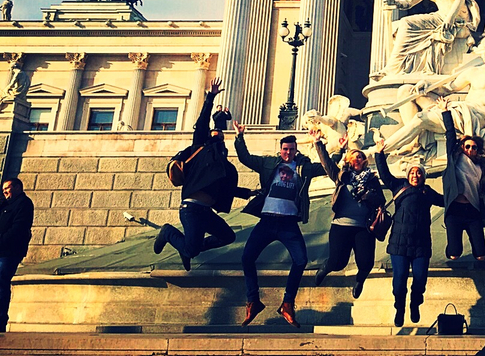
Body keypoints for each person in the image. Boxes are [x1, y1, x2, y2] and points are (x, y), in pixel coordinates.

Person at [154, 78, 253, 271]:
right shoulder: (199, 148)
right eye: (215, 134)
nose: (219, 136)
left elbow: (228, 189)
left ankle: (191, 248)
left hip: (205, 212)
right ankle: (167, 233)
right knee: (191, 250)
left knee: (227, 236)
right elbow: (201, 124)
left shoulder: (221, 166)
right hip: (190, 209)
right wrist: (211, 97)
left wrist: (249, 193)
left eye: (221, 136)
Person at [234, 126, 327, 329]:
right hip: (267, 221)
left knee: (301, 260)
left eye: (291, 150)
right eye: (285, 149)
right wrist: (240, 136)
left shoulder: (303, 167)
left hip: (288, 223)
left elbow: (326, 167)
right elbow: (245, 158)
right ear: (280, 150)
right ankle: (253, 301)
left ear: (296, 150)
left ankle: (287, 303)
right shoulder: (268, 163)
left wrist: (321, 145)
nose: (288, 153)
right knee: (247, 257)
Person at [382, 35, 485, 154]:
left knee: (421, 118)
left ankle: (380, 151)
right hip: (460, 109)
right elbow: (447, 89)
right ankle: (414, 143)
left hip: (474, 118)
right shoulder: (474, 71)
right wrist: (426, 84)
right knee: (406, 90)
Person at [374, 139, 444, 327]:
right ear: (408, 175)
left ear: (423, 176)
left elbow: (447, 201)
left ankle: (415, 303)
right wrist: (379, 153)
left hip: (421, 244)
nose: (415, 175)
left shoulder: (427, 192)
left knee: (420, 280)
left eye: (418, 172)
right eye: (412, 172)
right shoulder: (399, 186)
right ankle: (399, 307)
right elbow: (384, 174)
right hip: (399, 244)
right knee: (399, 282)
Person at [313, 138, 386, 299]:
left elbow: (381, 200)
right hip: (341, 225)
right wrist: (318, 143)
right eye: (353, 156)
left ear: (364, 160)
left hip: (363, 227)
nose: (357, 159)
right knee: (338, 262)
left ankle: (360, 281)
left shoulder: (372, 180)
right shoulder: (341, 176)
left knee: (366, 262)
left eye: (360, 156)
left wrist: (368, 195)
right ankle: (325, 268)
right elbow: (326, 163)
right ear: (348, 160)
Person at [440, 97, 485, 261]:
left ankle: (477, 250)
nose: (471, 149)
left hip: (473, 209)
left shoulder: (482, 166)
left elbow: (483, 190)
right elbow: (450, 136)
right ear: (462, 148)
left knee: (481, 256)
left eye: (474, 147)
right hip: (455, 209)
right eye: (468, 146)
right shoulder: (455, 160)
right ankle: (451, 246)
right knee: (454, 254)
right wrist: (445, 112)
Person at [0, 178, 32, 332]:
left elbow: (18, 228)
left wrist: (1, 241)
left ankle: (0, 321)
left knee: (1, 282)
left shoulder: (23, 204)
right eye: (3, 189)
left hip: (9, 251)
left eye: (8, 188)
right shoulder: (4, 205)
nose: (5, 192)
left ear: (18, 187)